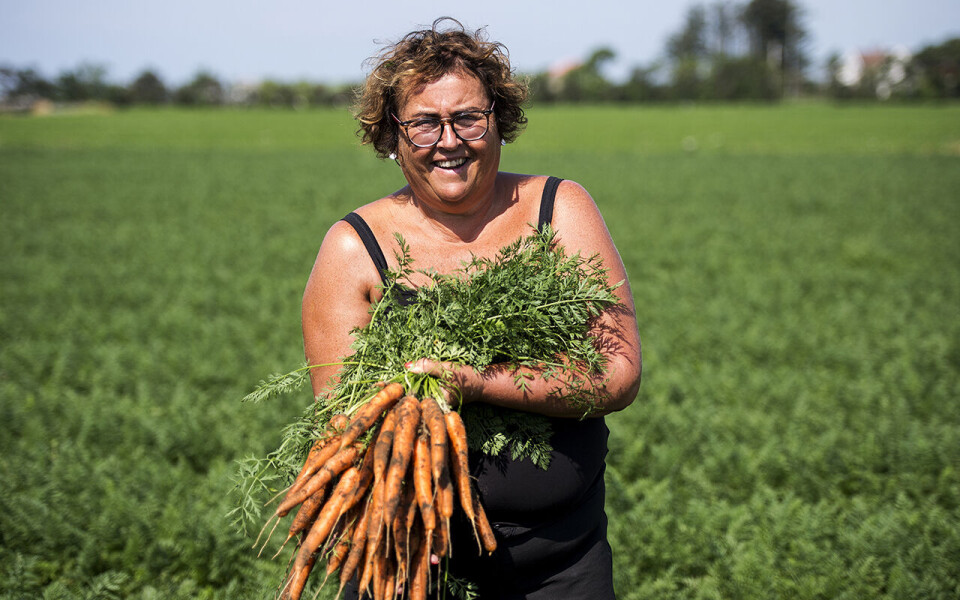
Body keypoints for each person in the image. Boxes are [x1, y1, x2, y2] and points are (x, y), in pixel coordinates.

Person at [300, 17, 642, 600]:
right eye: (425, 124)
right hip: (409, 564)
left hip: (562, 564)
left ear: (499, 121)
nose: (450, 141)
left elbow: (617, 373)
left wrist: (475, 382)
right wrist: (403, 504)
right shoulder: (354, 247)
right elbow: (343, 427)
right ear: (393, 136)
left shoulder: (559, 211)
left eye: (468, 118)